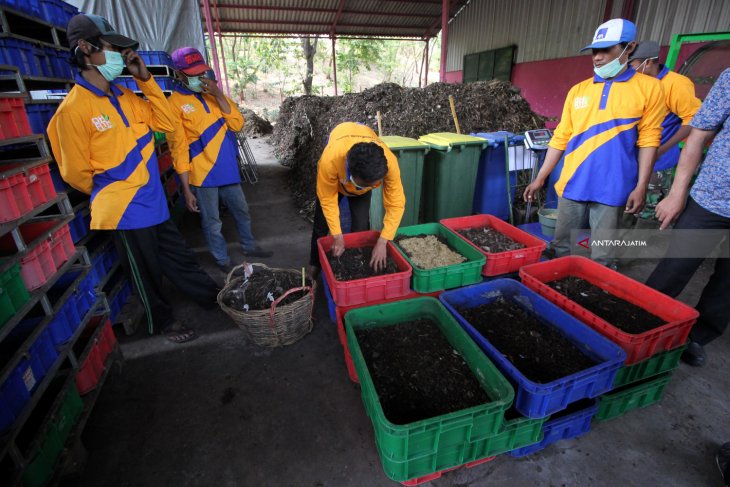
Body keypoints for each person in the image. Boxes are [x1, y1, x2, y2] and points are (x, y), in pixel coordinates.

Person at [47, 14, 219, 343]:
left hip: (152, 201)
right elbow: (75, 173)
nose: (120, 57)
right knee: (146, 271)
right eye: (113, 48)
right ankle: (162, 321)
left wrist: (146, 81)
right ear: (85, 48)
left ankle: (212, 297)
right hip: (125, 209)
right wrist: (116, 190)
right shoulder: (72, 111)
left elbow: (169, 124)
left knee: (179, 256)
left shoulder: (127, 97)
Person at [523, 19, 666, 266]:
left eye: (605, 50)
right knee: (562, 245)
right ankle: (556, 284)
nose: (597, 58)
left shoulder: (650, 89)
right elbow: (560, 138)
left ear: (629, 47)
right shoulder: (578, 91)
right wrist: (540, 178)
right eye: (594, 51)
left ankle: (598, 290)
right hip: (573, 182)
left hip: (614, 185)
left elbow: (649, 140)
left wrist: (641, 185)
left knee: (603, 253)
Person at [644, 68, 730, 367]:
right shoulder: (729, 78)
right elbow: (697, 135)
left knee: (726, 287)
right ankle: (642, 322)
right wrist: (678, 193)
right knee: (675, 267)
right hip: (711, 199)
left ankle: (698, 337)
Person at [167, 47, 272, 274]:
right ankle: (222, 259)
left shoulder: (213, 94)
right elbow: (178, 149)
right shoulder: (174, 104)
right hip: (203, 175)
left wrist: (218, 95)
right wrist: (186, 189)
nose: (199, 78)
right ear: (179, 74)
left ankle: (249, 246)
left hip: (228, 170)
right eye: (192, 74)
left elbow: (237, 124)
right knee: (212, 222)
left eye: (201, 72)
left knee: (241, 211)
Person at [309, 122, 405, 276]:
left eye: (371, 185)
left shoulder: (389, 163)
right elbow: (327, 200)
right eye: (360, 185)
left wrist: (383, 241)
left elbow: (396, 203)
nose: (361, 188)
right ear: (350, 172)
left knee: (360, 224)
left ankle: (356, 263)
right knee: (321, 224)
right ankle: (314, 267)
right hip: (338, 172)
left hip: (361, 174)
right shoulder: (331, 159)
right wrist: (337, 236)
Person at [627, 40, 702, 221]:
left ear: (649, 62)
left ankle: (642, 246)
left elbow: (694, 120)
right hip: (634, 158)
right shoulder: (638, 83)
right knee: (628, 207)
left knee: (647, 213)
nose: (630, 69)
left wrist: (662, 148)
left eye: (633, 65)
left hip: (658, 161)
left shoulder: (676, 84)